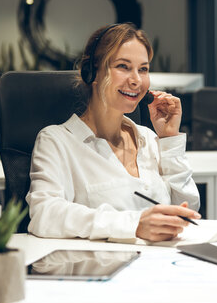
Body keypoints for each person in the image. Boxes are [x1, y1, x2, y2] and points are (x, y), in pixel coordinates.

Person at [26, 23, 201, 242]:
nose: (136, 80)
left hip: (159, 267)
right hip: (99, 271)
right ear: (92, 72)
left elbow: (188, 210)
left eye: (143, 69)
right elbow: (45, 214)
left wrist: (168, 140)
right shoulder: (57, 141)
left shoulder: (148, 138)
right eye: (123, 66)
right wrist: (134, 225)